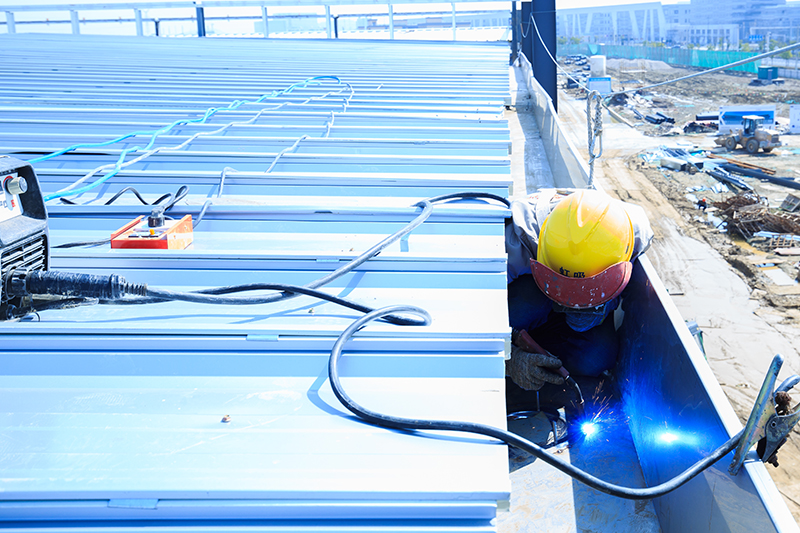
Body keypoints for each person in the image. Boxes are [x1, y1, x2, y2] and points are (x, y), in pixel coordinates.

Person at [504, 189, 654, 397]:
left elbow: (635, 301)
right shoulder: (513, 241)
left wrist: (602, 306)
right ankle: (526, 347)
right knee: (525, 306)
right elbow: (468, 317)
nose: (572, 303)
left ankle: (544, 356)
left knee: (596, 358)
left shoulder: (633, 236)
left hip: (581, 313)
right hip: (534, 297)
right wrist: (507, 360)